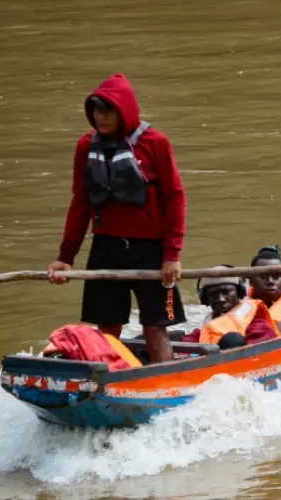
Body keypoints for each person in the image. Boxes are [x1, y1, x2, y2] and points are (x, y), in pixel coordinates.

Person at [47, 74, 186, 364]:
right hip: (106, 248)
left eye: (108, 111)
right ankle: (106, 380)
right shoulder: (86, 146)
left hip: (151, 250)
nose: (101, 118)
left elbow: (175, 197)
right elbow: (81, 203)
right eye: (96, 111)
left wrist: (172, 254)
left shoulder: (156, 142)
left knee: (155, 325)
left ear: (124, 111)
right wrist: (66, 256)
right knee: (107, 325)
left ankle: (166, 380)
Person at [195, 266, 278, 349]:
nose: (221, 299)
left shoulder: (259, 325)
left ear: (239, 292)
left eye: (226, 292)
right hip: (214, 359)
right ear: (205, 299)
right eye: (213, 294)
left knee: (233, 340)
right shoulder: (209, 323)